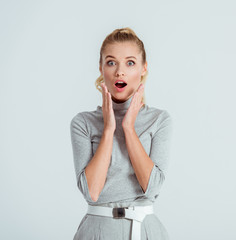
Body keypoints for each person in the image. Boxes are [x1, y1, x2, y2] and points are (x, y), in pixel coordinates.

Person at [70, 27, 173, 240]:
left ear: (143, 68)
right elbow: (92, 193)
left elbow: (151, 188)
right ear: (101, 68)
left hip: (144, 231)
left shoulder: (159, 120)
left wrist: (128, 128)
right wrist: (109, 129)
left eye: (130, 62)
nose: (120, 72)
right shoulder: (83, 123)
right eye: (111, 62)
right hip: (96, 232)